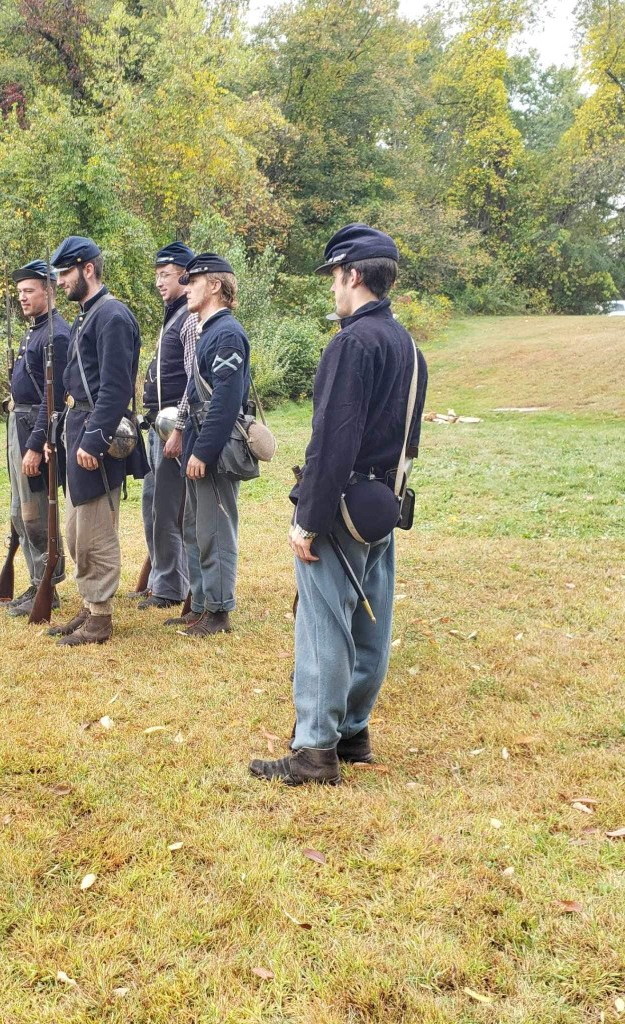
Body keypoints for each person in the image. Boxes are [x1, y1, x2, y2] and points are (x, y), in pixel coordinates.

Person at [249, 224, 428, 787]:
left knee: (325, 626)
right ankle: (353, 731)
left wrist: (308, 519)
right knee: (371, 624)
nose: (332, 286)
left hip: (344, 504)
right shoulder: (408, 345)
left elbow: (332, 442)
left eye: (334, 275)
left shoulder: (352, 343)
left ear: (353, 275)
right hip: (383, 504)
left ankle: (315, 749)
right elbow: (408, 440)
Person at [46, 235, 148, 646]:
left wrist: (94, 440)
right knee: (77, 530)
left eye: (65, 273)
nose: (60, 282)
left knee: (95, 532)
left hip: (96, 433)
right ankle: (90, 604)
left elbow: (116, 388)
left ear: (88, 269)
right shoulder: (88, 315)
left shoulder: (112, 316)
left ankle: (101, 616)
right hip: (79, 426)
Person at [177, 253, 253, 638]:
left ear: (215, 285)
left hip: (215, 450)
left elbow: (225, 401)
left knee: (215, 531)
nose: (186, 289)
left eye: (193, 281)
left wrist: (203, 452)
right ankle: (202, 604)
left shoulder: (227, 334)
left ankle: (219, 612)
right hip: (199, 440)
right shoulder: (210, 331)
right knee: (196, 528)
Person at [3, 260, 71, 617]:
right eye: (20, 292)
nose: (22, 297)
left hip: (35, 429)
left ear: (49, 291)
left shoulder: (56, 335)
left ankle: (47, 583)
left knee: (36, 513)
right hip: (20, 424)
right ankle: (35, 580)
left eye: (29, 290)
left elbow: (53, 398)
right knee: (20, 511)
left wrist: (34, 445)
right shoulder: (35, 331)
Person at [135, 242, 196, 611]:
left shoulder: (188, 318)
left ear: (185, 276)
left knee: (169, 510)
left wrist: (180, 428)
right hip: (158, 426)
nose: (159, 282)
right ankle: (162, 578)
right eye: (157, 275)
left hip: (173, 427)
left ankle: (171, 587)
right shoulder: (174, 315)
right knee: (152, 506)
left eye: (165, 275)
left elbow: (194, 380)